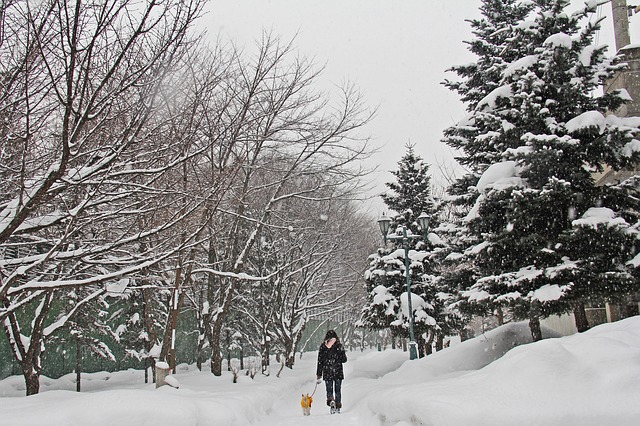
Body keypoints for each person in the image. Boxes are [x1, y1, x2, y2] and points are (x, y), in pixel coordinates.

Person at [316, 330, 347, 413]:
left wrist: (319, 374)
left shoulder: (323, 347)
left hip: (327, 371)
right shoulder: (339, 346)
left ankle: (331, 400)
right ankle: (337, 406)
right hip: (338, 371)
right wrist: (338, 357)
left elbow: (320, 361)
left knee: (329, 390)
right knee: (338, 390)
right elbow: (344, 360)